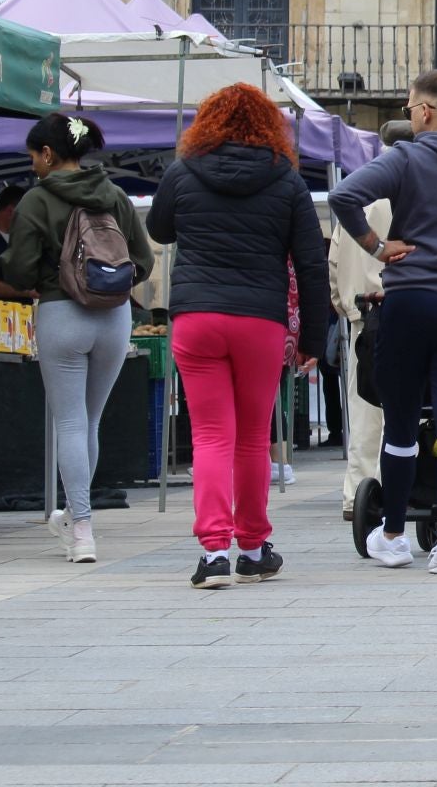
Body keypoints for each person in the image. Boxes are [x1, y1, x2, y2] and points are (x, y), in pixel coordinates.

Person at [146, 84, 330, 589]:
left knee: (209, 435)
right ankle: (252, 547)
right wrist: (314, 336)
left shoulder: (183, 173)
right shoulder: (287, 182)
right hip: (259, 319)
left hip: (197, 316)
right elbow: (312, 265)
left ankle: (212, 554)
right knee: (253, 437)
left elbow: (160, 231)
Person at [330, 71, 437, 577]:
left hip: (409, 300)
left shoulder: (406, 157)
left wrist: (377, 247)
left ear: (425, 111)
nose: (409, 116)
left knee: (403, 424)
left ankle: (392, 535)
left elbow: (345, 197)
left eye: (409, 108)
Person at [1, 113, 155, 564]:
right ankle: (75, 515)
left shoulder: (36, 200)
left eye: (34, 156)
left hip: (61, 313)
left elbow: (20, 268)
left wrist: (46, 279)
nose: (33, 165)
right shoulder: (115, 196)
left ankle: (82, 528)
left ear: (48, 154)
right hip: (114, 317)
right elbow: (142, 261)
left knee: (68, 422)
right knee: (90, 421)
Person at [328, 119, 414, 519]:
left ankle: (358, 495)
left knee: (364, 410)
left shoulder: (360, 200)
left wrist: (343, 304)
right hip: (408, 309)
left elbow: (332, 263)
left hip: (362, 316)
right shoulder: (412, 197)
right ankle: (405, 486)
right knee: (410, 407)